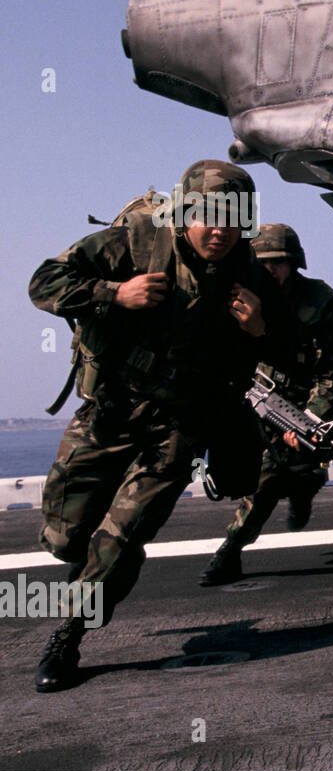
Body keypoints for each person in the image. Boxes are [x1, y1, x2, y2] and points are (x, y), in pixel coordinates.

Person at [28, 161, 295, 692]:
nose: (220, 231)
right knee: (64, 536)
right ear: (185, 212)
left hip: (177, 426)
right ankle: (99, 569)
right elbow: (43, 281)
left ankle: (70, 634)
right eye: (209, 216)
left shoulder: (251, 273)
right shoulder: (136, 241)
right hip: (109, 411)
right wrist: (113, 294)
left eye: (233, 220)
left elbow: (288, 348)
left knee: (119, 538)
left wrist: (261, 330)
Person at [200, 223, 333, 586]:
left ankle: (302, 488)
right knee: (260, 481)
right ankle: (230, 552)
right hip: (258, 396)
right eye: (263, 263)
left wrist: (311, 418)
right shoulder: (237, 295)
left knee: (294, 468)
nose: (271, 269)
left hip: (309, 396)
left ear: (294, 263)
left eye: (279, 262)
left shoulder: (317, 301)